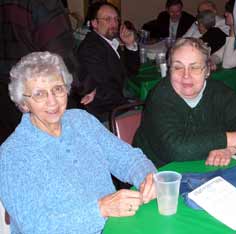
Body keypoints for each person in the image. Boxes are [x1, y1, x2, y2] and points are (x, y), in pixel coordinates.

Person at [0, 51, 157, 234]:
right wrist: (101, 210)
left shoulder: (81, 121)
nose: (52, 102)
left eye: (58, 89)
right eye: (40, 94)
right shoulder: (13, 155)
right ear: (24, 103)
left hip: (116, 226)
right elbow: (36, 227)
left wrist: (147, 176)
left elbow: (126, 157)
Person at [133, 38, 236, 168]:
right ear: (169, 70)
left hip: (206, 169)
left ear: (207, 71)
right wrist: (229, 139)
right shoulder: (159, 96)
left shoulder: (219, 92)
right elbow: (176, 149)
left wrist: (228, 149)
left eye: (194, 67)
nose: (186, 75)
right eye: (178, 67)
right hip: (157, 174)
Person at [0, 0, 80, 144]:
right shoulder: (44, 3)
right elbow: (60, 53)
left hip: (7, 94)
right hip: (37, 93)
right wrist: (82, 87)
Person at [77, 2, 140, 121]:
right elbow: (105, 90)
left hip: (115, 102)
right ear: (95, 23)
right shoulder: (91, 49)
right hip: (105, 113)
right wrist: (129, 105)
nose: (114, 23)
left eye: (116, 19)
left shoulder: (109, 42)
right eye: (108, 19)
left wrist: (130, 44)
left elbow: (132, 70)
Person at [211, 0, 236, 69]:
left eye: (229, 11)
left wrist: (231, 36)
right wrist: (210, 61)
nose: (225, 14)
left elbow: (227, 64)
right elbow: (218, 55)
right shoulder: (235, 34)